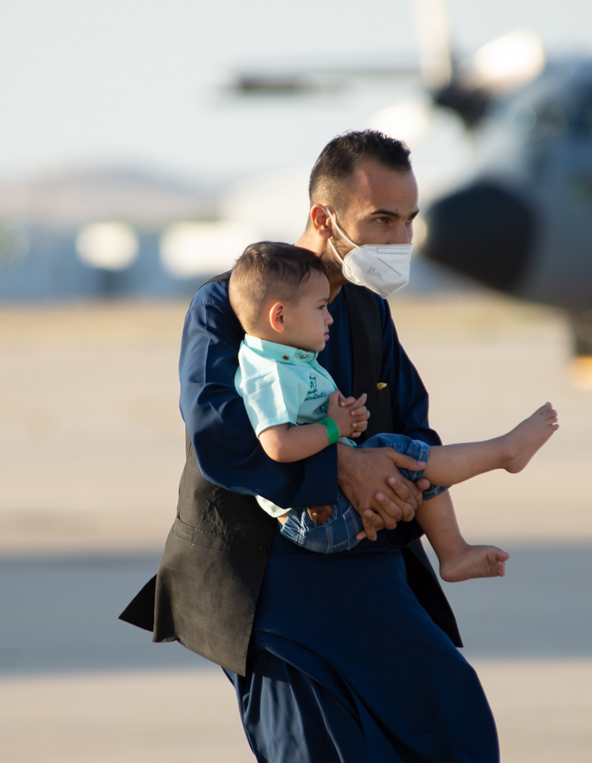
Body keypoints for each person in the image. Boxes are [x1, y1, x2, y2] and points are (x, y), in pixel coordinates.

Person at [123, 130, 521, 763]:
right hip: (269, 591)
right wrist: (343, 462)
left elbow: (415, 432)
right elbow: (221, 437)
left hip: (369, 572)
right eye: (382, 222)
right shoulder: (229, 306)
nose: (401, 239)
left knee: (453, 757)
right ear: (323, 218)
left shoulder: (367, 311)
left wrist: (398, 492)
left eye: (409, 220)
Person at [229, 240, 558, 579]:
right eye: (320, 308)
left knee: (402, 458)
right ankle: (503, 455)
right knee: (400, 453)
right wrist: (334, 428)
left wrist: (343, 417)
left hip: (323, 503)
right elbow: (279, 446)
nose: (330, 318)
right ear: (280, 316)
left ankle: (455, 550)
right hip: (315, 519)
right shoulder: (270, 374)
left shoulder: (288, 359)